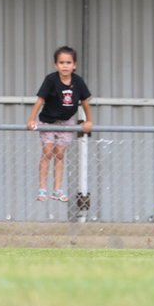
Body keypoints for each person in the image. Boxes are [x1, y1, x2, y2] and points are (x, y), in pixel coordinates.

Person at [27, 46, 93, 203]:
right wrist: (32, 119)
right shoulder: (51, 80)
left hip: (67, 121)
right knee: (47, 152)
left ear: (74, 65)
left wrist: (89, 120)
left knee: (60, 154)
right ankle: (42, 188)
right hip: (48, 121)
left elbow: (85, 102)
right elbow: (40, 100)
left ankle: (57, 189)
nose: (65, 65)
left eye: (68, 62)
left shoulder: (78, 81)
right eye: (61, 62)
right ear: (56, 64)